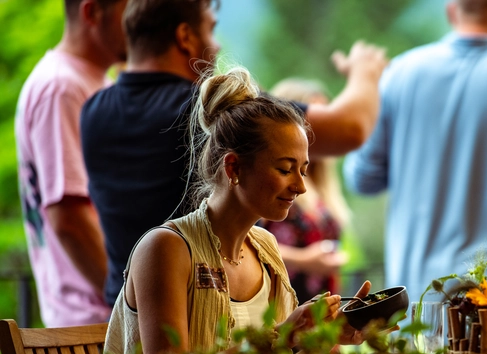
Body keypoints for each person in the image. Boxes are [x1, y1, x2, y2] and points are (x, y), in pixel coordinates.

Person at [96, 66, 372, 354]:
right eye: (286, 168)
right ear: (234, 167)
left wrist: (328, 337)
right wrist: (281, 337)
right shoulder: (166, 249)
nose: (301, 187)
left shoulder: (266, 250)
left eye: (304, 169)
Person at [81, 0, 387, 308]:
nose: (216, 46)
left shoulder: (93, 112)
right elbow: (349, 128)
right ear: (184, 36)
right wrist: (366, 72)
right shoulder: (204, 110)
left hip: (119, 304)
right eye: (211, 29)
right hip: (199, 302)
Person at [344, 0, 487, 301]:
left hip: (416, 286)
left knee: (420, 349)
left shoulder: (400, 73)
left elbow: (362, 177)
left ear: (452, 12)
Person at [15, 0, 128, 327]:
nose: (137, 21)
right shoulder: (61, 87)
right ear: (92, 12)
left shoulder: (93, 84)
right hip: (94, 324)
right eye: (128, 9)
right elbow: (71, 221)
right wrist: (131, 301)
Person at [259, 78, 350, 303]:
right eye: (317, 121)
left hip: (319, 310)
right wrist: (302, 259)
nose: (326, 131)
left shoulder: (323, 185)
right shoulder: (274, 178)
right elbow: (246, 243)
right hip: (280, 301)